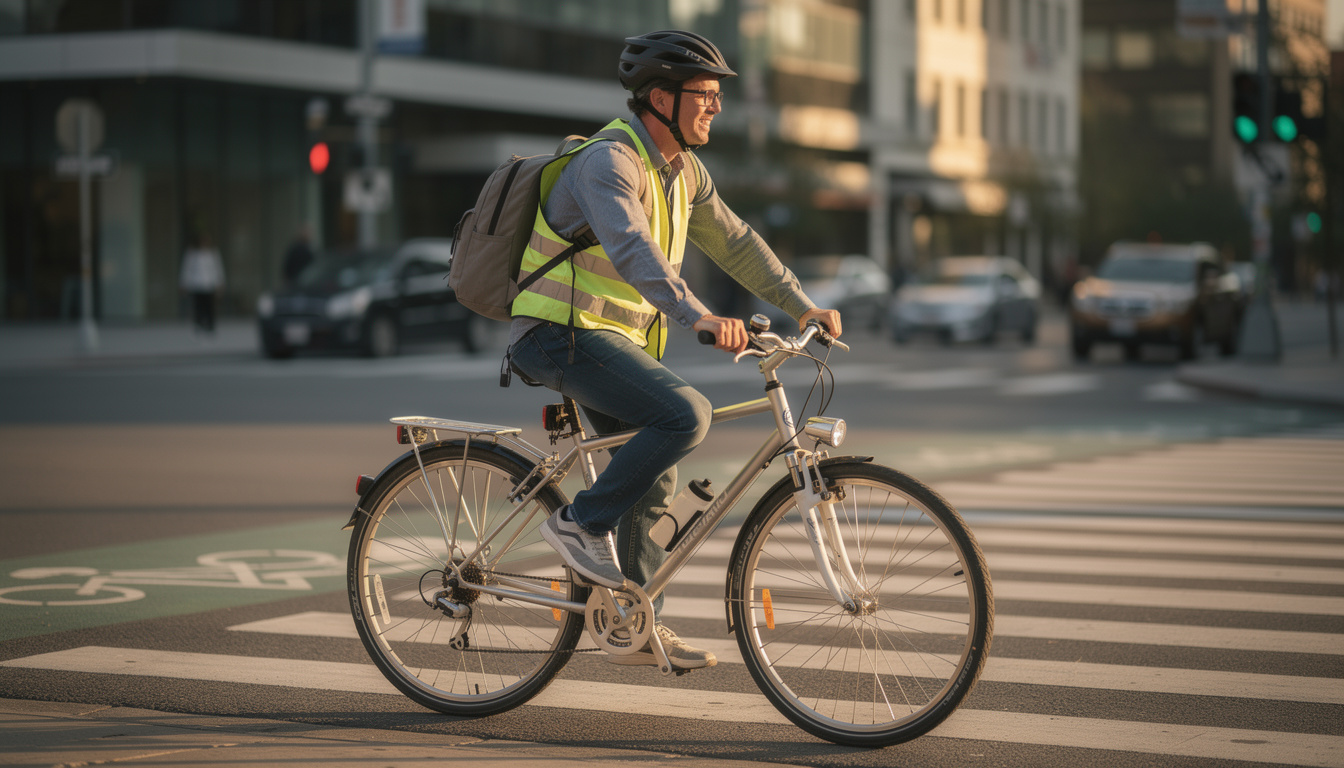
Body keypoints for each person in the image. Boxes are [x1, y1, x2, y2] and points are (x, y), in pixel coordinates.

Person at [507, 30, 842, 672]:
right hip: (556, 333)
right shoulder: (609, 163)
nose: (716, 106)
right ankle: (579, 523)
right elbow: (635, 250)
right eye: (705, 95)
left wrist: (801, 305)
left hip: (605, 340)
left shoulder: (683, 171)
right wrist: (699, 317)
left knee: (656, 473)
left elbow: (737, 242)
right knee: (686, 414)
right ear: (661, 98)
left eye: (718, 96)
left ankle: (632, 622)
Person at [179, 233, 225, 335]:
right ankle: (199, 324)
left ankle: (210, 326)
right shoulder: (192, 254)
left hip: (209, 284)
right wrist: (184, 283)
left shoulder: (213, 254)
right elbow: (187, 269)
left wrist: (220, 283)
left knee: (209, 306)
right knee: (198, 306)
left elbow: (217, 269)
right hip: (197, 284)